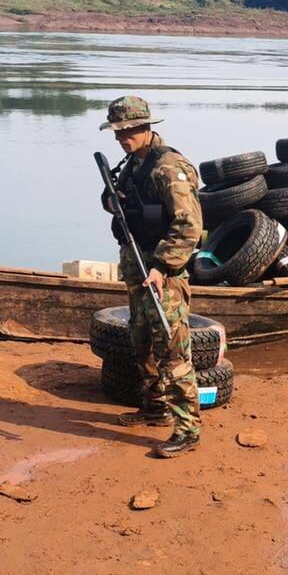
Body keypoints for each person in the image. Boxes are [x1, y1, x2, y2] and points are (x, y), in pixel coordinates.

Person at [100, 95, 202, 458]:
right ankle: (154, 406)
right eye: (117, 132)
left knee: (172, 350)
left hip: (164, 274)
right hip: (137, 268)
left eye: (127, 131)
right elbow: (120, 199)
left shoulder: (169, 168)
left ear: (146, 128)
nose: (121, 138)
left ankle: (187, 429)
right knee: (140, 340)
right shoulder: (132, 163)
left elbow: (189, 226)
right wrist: (113, 201)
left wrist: (163, 266)